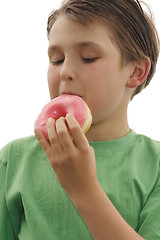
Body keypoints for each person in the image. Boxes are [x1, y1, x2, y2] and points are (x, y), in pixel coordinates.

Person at [0, 0, 160, 239]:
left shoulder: (155, 165)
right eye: (56, 59)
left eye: (88, 58)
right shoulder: (14, 159)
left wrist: (83, 189)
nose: (65, 71)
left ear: (136, 71)